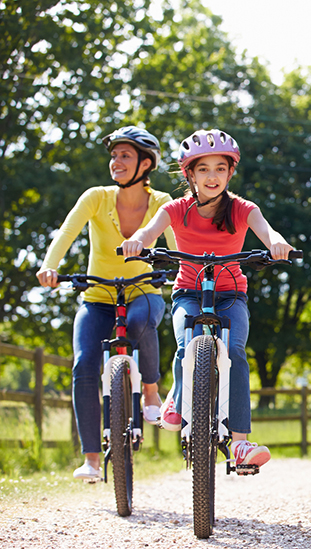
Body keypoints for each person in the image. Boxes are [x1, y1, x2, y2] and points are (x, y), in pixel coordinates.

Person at [121, 128, 294, 470]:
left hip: (231, 295)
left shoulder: (243, 209)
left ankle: (241, 444)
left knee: (235, 352)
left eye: (220, 168)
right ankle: (178, 397)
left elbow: (267, 230)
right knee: (187, 343)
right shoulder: (176, 209)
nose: (212, 176)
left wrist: (277, 243)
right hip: (188, 291)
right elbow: (149, 231)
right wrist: (138, 241)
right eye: (203, 169)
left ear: (230, 172)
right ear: (190, 174)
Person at [36, 126, 176, 481]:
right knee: (84, 364)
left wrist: (182, 273)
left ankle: (150, 391)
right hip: (98, 296)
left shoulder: (161, 203)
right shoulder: (96, 197)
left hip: (143, 291)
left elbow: (176, 249)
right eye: (113, 155)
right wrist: (50, 266)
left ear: (146, 163)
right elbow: (67, 232)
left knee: (143, 322)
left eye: (125, 155)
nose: (116, 161)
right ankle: (92, 460)